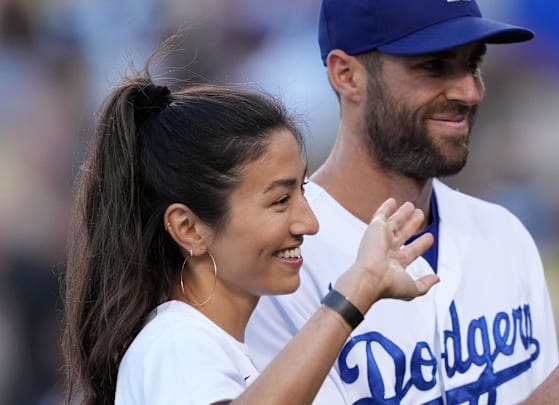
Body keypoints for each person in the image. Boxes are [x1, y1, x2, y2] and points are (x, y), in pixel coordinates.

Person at [246, 0, 559, 404]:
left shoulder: (504, 235)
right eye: (433, 66)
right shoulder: (279, 264)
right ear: (346, 74)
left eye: (473, 64)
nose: (468, 91)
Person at [61, 51, 441, 405]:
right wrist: (354, 291)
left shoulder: (224, 347)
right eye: (280, 201)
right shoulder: (173, 343)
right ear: (188, 228)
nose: (308, 223)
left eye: (302, 190)